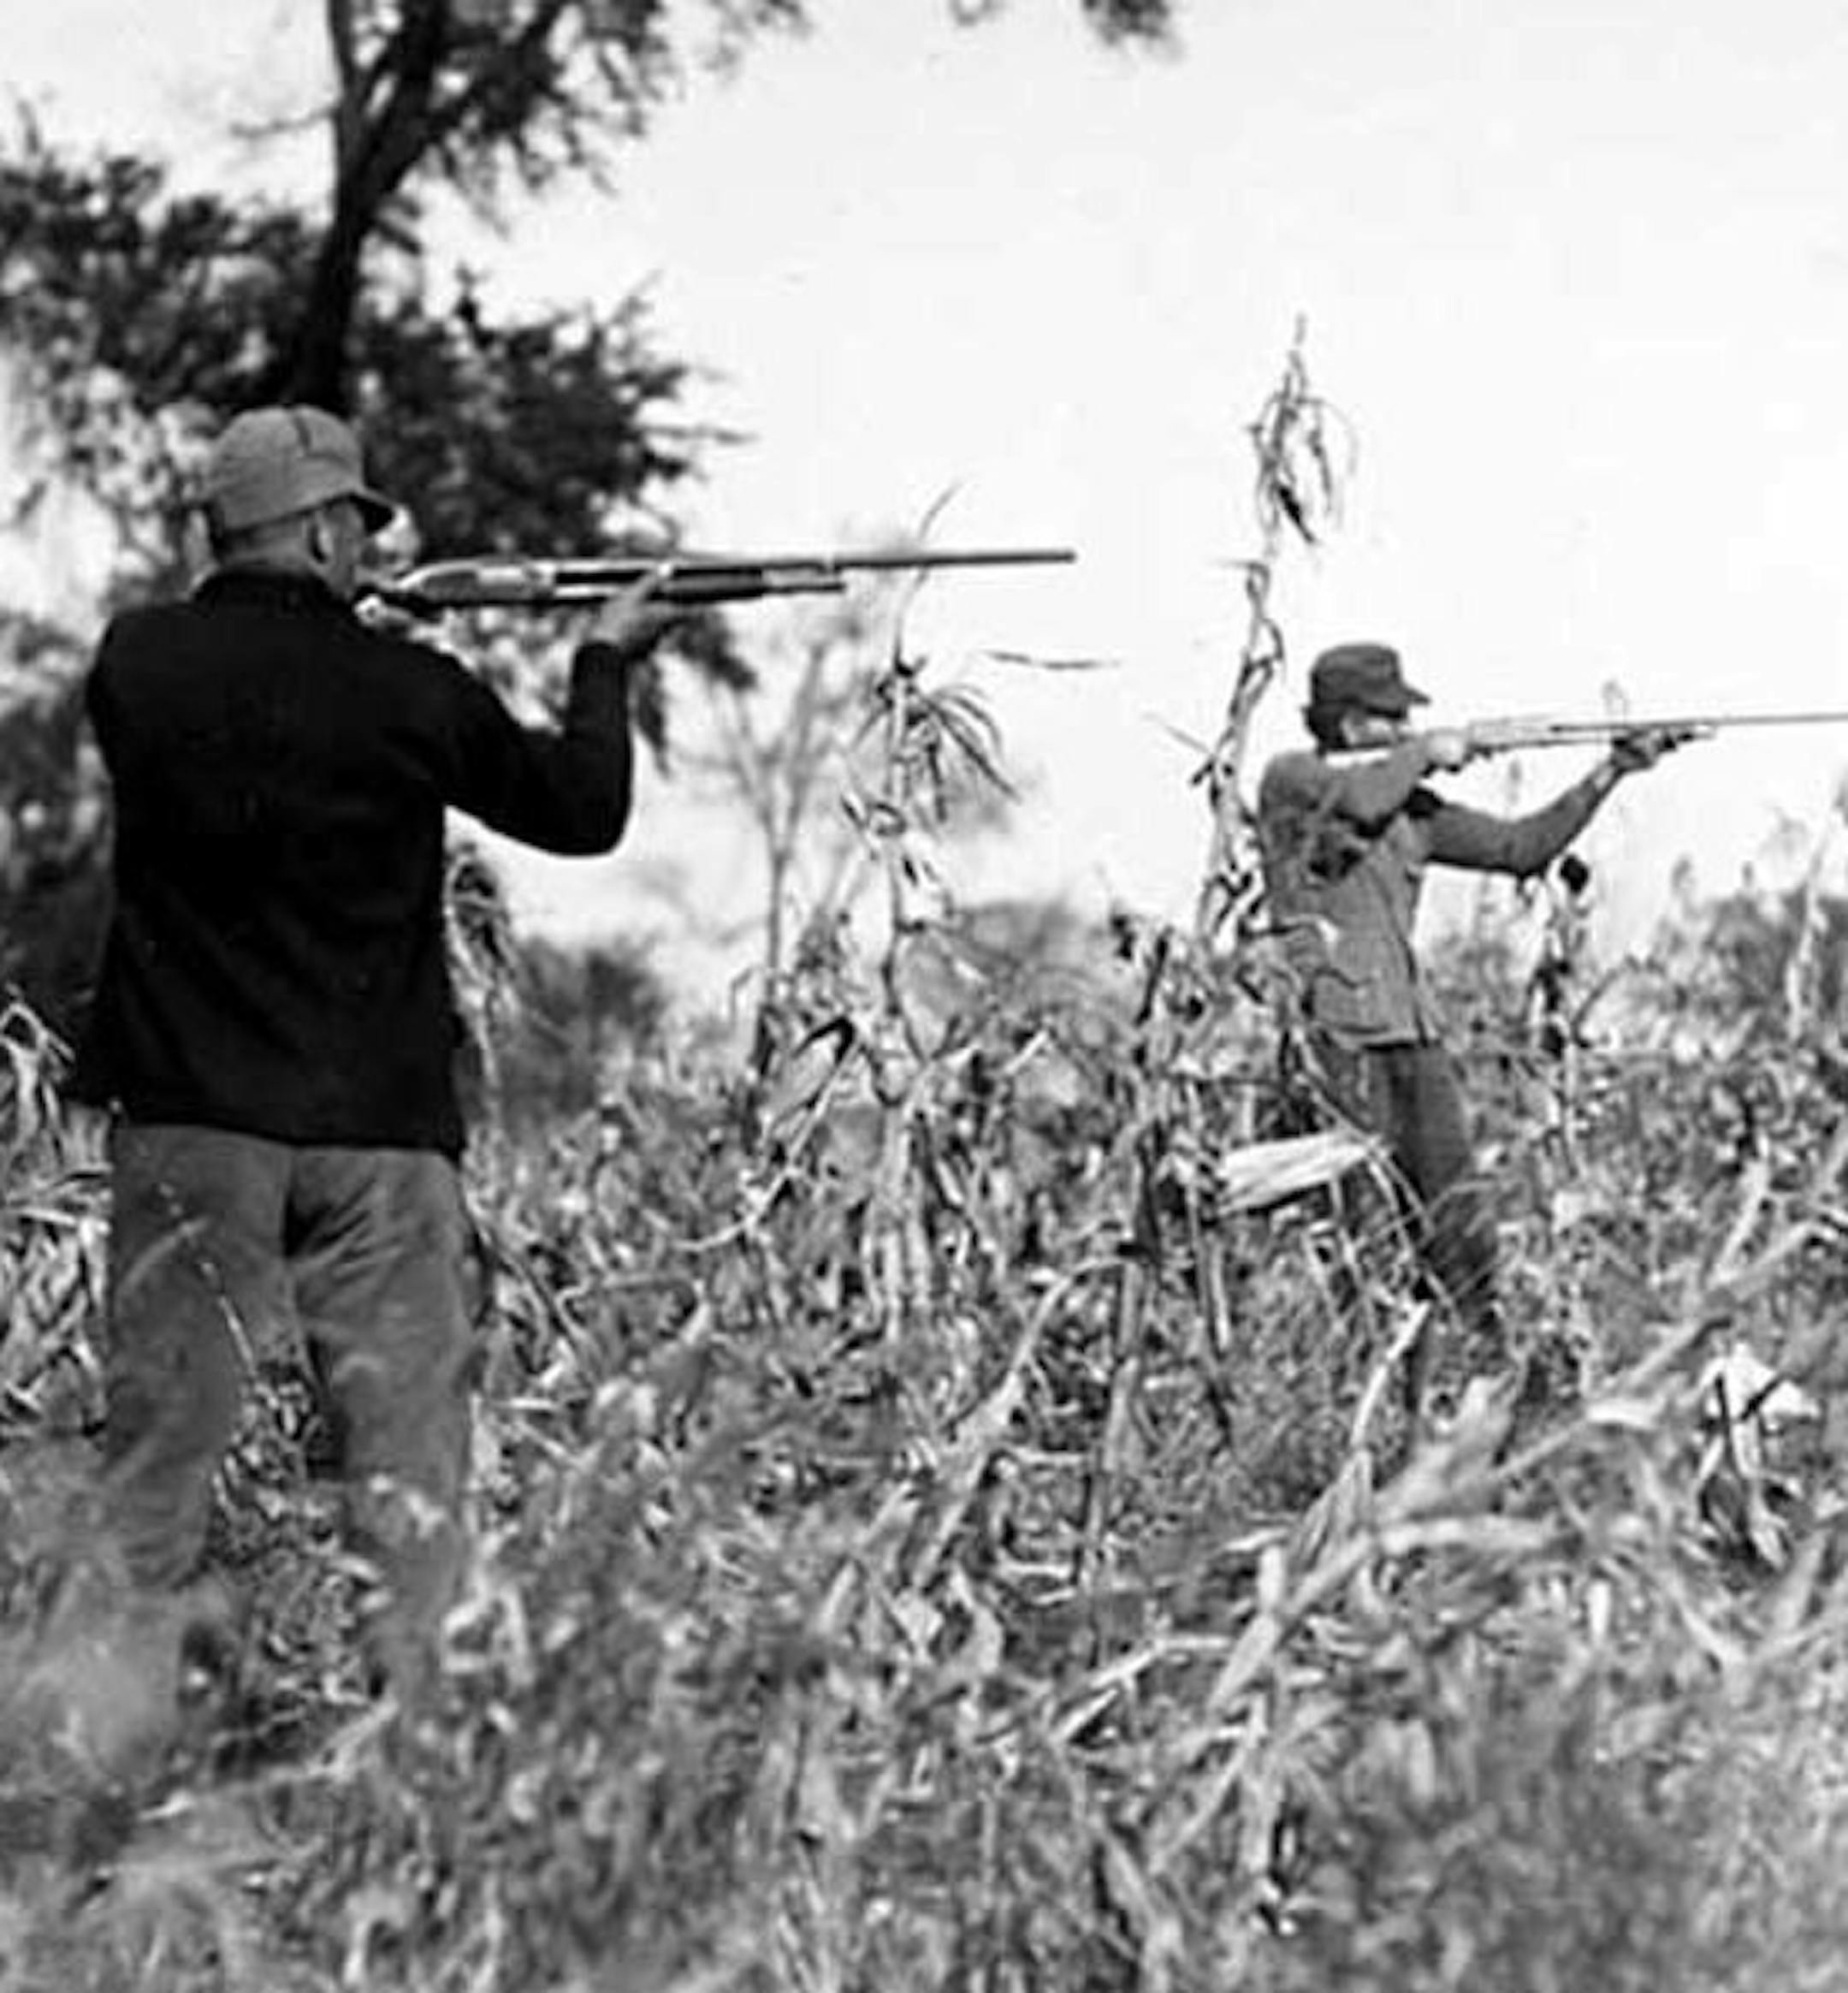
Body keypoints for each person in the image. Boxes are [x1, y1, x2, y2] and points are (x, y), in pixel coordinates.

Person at [69, 404, 679, 1698]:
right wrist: (603, 660)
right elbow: (582, 811)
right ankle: (414, 1773)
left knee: (157, 1466)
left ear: (217, 534)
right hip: (381, 1146)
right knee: (408, 1481)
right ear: (336, 533)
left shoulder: (136, 663)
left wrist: (351, 646)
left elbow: (252, 693)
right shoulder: (413, 693)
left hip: (193, 1132)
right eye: (357, 526)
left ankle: (97, 1779)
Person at [1256, 640, 1686, 1409]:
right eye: (1392, 717)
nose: (1406, 725)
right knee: (1365, 1242)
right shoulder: (1294, 781)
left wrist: (1612, 770)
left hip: (1411, 1040)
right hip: (1336, 1038)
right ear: (1351, 722)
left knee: (1461, 1228)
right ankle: (1362, 1408)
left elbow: (1523, 848)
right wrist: (1428, 752)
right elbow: (1354, 803)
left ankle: (1486, 1390)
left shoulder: (1407, 806)